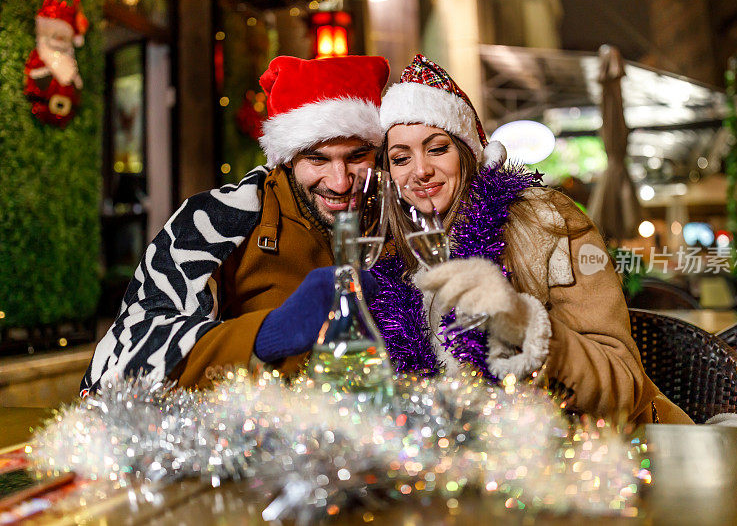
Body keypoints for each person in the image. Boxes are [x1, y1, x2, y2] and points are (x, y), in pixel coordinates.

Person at [369, 54, 692, 425]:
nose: (421, 170)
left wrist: (522, 324)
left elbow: (624, 384)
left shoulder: (546, 220)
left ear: (467, 152)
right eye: (400, 157)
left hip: (581, 454)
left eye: (437, 148)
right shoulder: (390, 253)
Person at [81, 55, 390, 396]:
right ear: (286, 158)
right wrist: (268, 334)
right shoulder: (214, 218)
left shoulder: (396, 217)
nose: (340, 181)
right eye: (317, 158)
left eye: (356, 157)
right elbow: (130, 352)